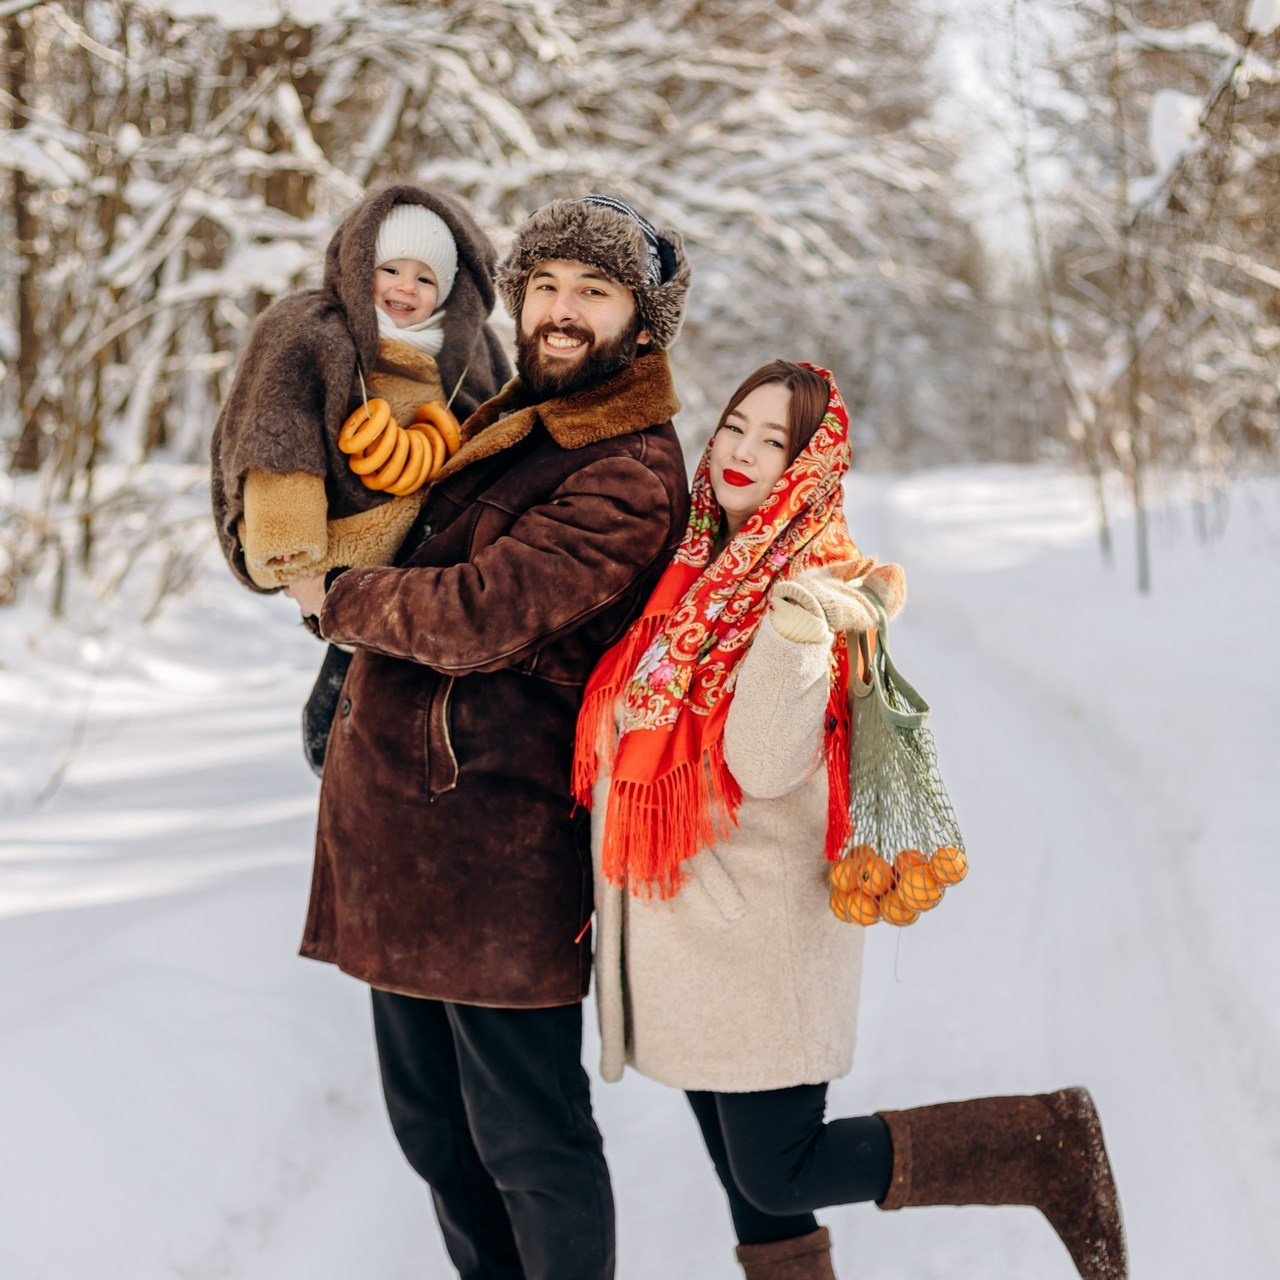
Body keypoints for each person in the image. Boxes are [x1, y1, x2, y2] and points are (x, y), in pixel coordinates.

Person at [573, 360, 1128, 1280]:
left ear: (812, 465)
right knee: (748, 1184)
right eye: (736, 427)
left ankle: (1043, 1142)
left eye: (775, 440)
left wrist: (797, 629)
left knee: (781, 1172)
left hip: (760, 939)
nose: (743, 452)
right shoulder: (695, 560)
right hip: (692, 935)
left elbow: (764, 762)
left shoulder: (812, 584)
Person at [282, 195, 693, 1280]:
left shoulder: (629, 468)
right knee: (434, 1136)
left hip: (501, 857)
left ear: (640, 324)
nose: (560, 311)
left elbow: (479, 609)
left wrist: (338, 596)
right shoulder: (519, 419)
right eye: (545, 285)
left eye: (592, 292)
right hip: (401, 848)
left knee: (529, 1141)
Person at [209, 182, 511, 773]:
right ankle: (333, 735)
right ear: (358, 265)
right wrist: (298, 565)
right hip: (338, 558)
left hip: (428, 575)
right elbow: (278, 439)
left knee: (410, 722)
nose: (405, 287)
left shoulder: (469, 353)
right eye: (389, 267)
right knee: (348, 712)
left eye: (425, 279)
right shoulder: (310, 330)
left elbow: (499, 433)